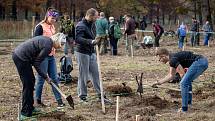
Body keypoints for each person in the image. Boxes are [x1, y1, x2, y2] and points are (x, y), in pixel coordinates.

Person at [12, 33, 66, 120]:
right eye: (61, 44)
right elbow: (37, 63)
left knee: (31, 81)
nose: (61, 47)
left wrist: (45, 76)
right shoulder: (48, 46)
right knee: (28, 85)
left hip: (21, 56)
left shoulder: (47, 41)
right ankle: (25, 114)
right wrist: (46, 77)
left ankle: (30, 108)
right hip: (21, 57)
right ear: (57, 41)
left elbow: (35, 61)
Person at [152, 48, 208, 113]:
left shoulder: (173, 60)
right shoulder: (172, 59)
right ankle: (188, 103)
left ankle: (184, 109)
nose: (159, 60)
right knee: (186, 82)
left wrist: (182, 85)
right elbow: (171, 75)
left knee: (184, 83)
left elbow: (182, 74)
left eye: (159, 58)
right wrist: (158, 83)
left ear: (163, 56)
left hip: (199, 62)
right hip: (202, 62)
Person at [75, 8, 111, 103]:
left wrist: (96, 40)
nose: (97, 18)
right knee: (84, 75)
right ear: (90, 16)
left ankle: (101, 95)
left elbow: (94, 35)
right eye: (96, 16)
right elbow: (78, 39)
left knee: (96, 74)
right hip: (82, 52)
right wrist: (91, 41)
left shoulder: (93, 24)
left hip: (91, 52)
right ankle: (82, 96)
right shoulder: (80, 26)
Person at [34, 7, 65, 108]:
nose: (54, 20)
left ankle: (59, 101)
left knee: (55, 78)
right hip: (42, 56)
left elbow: (53, 41)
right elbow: (35, 42)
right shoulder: (40, 27)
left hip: (51, 56)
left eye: (55, 19)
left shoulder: (52, 27)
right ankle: (37, 101)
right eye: (52, 18)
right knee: (41, 79)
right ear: (47, 16)